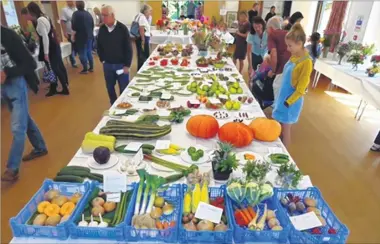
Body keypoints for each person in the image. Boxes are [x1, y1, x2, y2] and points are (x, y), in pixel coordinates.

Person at [1, 26, 48, 182]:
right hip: (3, 87)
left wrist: (7, 72)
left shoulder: (8, 36)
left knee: (17, 127)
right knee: (23, 119)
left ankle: (12, 168)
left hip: (15, 84)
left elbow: (30, 64)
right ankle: (40, 147)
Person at [272, 24, 313, 148]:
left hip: (290, 101)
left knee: (286, 130)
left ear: (300, 43)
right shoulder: (295, 56)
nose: (288, 49)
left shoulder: (307, 62)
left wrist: (288, 102)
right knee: (276, 127)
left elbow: (301, 89)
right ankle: (274, 150)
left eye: (290, 46)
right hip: (283, 97)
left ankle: (285, 160)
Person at [22, 3, 69, 96]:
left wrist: (46, 53)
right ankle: (57, 87)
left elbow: (45, 37)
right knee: (54, 67)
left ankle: (64, 87)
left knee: (54, 68)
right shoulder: (44, 17)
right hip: (52, 45)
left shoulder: (40, 20)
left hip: (50, 47)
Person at [97, 5, 132, 105]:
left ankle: (123, 105)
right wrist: (102, 59)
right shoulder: (102, 29)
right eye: (101, 15)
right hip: (107, 65)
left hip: (121, 65)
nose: (103, 18)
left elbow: (128, 48)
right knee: (109, 88)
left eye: (105, 15)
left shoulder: (122, 28)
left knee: (124, 88)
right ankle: (113, 105)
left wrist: (127, 65)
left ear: (112, 15)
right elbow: (99, 45)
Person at [267, 16, 291, 101]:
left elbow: (273, 54)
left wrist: (273, 71)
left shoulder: (272, 34)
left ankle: (277, 112)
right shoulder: (287, 33)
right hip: (292, 67)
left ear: (270, 28)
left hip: (282, 68)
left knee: (277, 92)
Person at [72, 1, 94, 74]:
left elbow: (74, 26)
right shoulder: (88, 14)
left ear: (76, 5)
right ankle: (91, 68)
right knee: (89, 52)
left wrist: (73, 35)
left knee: (82, 53)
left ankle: (85, 69)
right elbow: (92, 25)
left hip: (81, 37)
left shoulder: (75, 14)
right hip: (90, 36)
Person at [134, 4, 152, 71]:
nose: (150, 12)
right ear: (145, 11)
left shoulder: (138, 15)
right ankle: (144, 69)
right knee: (145, 54)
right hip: (142, 37)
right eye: (149, 11)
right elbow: (141, 28)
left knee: (140, 53)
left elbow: (143, 27)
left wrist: (148, 32)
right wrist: (143, 39)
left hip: (139, 37)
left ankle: (140, 68)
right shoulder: (142, 17)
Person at [60, 1, 77, 68]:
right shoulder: (64, 10)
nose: (74, 2)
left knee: (78, 47)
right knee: (71, 47)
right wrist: (64, 32)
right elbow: (62, 21)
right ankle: (73, 62)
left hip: (77, 32)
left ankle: (81, 59)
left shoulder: (76, 9)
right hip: (70, 33)